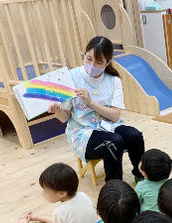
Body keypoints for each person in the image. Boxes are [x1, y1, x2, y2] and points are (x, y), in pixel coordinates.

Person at [49, 36, 145, 182]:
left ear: (108, 63)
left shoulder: (114, 81)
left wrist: (91, 102)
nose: (92, 64)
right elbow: (64, 118)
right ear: (84, 54)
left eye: (99, 62)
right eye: (88, 58)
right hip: (82, 132)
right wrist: (57, 110)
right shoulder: (70, 77)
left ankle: (141, 176)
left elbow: (115, 117)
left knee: (135, 136)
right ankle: (114, 187)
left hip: (109, 126)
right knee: (113, 142)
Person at [18, 163, 98, 223]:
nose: (43, 194)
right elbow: (69, 221)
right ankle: (40, 217)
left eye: (45, 191)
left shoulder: (60, 212)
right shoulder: (83, 196)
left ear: (62, 193)